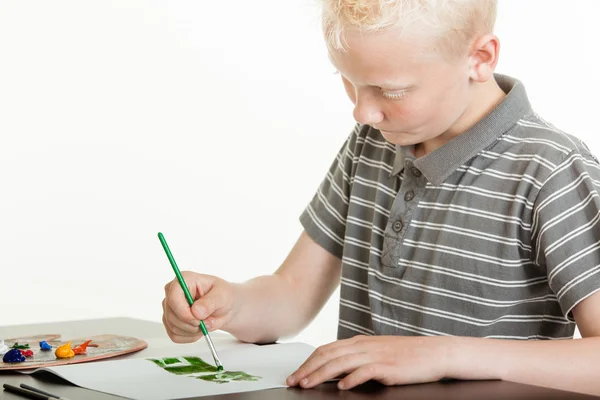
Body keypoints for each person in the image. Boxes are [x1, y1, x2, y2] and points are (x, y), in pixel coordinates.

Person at [162, 0, 600, 395]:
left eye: (391, 91)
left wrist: (443, 355)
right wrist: (232, 305)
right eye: (349, 82)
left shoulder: (552, 170)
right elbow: (293, 294)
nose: (363, 112)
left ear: (479, 58)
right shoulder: (373, 140)